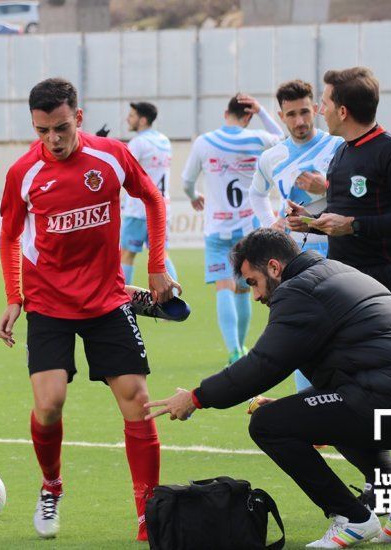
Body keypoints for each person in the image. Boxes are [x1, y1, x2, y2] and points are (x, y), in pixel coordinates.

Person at [144, 229, 391, 548]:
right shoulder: (338, 272)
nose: (256, 296)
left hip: (388, 397)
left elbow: (264, 364)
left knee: (267, 424)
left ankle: (353, 517)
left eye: (253, 283)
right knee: (329, 416)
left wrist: (196, 397)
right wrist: (306, 406)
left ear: (274, 268)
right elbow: (348, 374)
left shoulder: (298, 291)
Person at [0, 77, 180, 541]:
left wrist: (157, 266)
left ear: (78, 117)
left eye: (60, 128)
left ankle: (148, 517)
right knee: (50, 404)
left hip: (107, 300)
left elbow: (154, 200)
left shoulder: (112, 156)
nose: (53, 141)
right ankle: (51, 485)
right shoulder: (23, 173)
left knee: (138, 403)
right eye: (42, 131)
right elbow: (9, 236)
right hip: (49, 304)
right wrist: (14, 297)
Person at [286, 66, 391, 521]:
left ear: (343, 109)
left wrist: (356, 226)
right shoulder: (342, 153)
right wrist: (310, 217)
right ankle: (384, 489)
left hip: (380, 283)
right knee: (347, 384)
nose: (320, 110)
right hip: (341, 285)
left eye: (325, 102)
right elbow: (344, 206)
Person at [249, 80, 344, 391]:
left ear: (316, 109)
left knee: (341, 337)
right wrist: (268, 226)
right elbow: (256, 194)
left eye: (305, 111)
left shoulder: (337, 147)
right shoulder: (272, 157)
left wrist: (326, 188)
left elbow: (358, 196)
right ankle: (311, 413)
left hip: (339, 255)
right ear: (281, 116)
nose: (300, 121)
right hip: (296, 260)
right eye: (291, 114)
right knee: (301, 338)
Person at [181, 93, 284, 364]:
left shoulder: (205, 142)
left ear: (225, 114)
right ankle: (242, 347)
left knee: (223, 286)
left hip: (217, 228)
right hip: (248, 228)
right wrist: (262, 111)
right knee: (244, 286)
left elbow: (187, 180)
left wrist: (193, 195)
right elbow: (283, 138)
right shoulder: (259, 139)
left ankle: (234, 350)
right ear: (247, 116)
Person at [120, 101, 179, 286]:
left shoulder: (138, 143)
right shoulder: (164, 140)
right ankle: (173, 302)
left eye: (131, 116)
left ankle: (122, 300)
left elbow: (124, 172)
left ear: (143, 120)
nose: (127, 119)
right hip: (161, 207)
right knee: (161, 254)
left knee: (127, 254)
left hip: (138, 208)